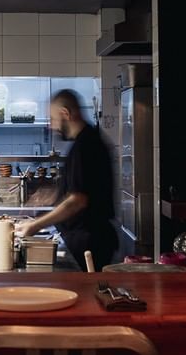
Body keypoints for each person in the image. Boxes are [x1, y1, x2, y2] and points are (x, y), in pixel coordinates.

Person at [16, 89, 117, 271]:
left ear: (65, 113)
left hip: (90, 241)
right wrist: (51, 195)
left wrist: (35, 225)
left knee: (87, 288)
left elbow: (78, 201)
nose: (51, 126)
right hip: (86, 238)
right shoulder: (84, 141)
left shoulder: (86, 145)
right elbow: (82, 188)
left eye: (52, 119)